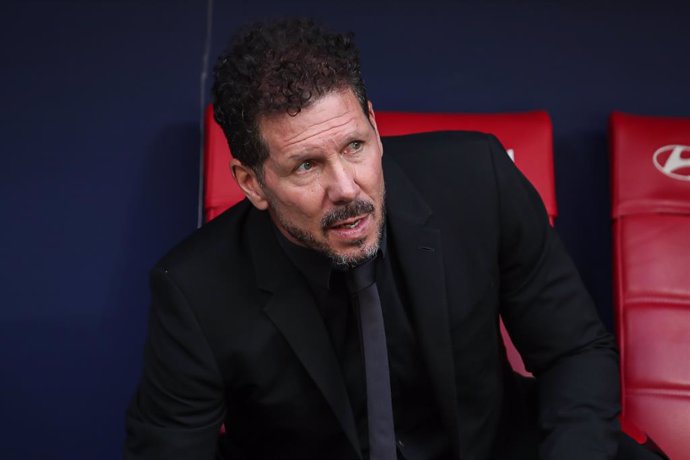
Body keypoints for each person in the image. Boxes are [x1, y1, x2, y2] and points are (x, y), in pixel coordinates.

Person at [125, 18, 664, 460]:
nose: (346, 188)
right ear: (251, 182)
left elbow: (574, 350)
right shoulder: (194, 289)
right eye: (307, 165)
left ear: (376, 127)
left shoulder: (478, 179)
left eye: (355, 146)